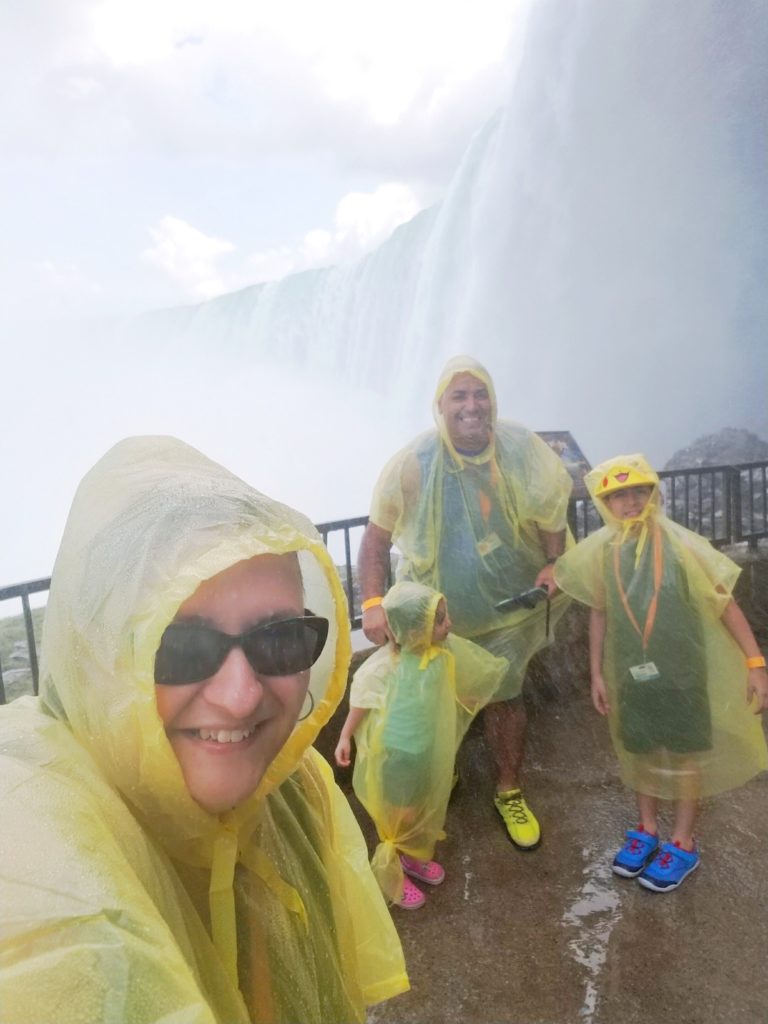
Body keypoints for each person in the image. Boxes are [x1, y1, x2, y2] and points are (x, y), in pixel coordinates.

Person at [0, 436, 408, 1024]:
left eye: (281, 639)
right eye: (181, 648)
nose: (241, 697)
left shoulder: (297, 788)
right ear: (106, 660)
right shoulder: (43, 859)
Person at [358, 355, 573, 850]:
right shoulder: (414, 463)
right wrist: (372, 602)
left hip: (506, 613)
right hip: (435, 618)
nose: (472, 406)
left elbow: (550, 507)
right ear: (440, 406)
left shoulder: (519, 447)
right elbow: (375, 540)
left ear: (493, 403)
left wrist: (555, 561)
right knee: (428, 703)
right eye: (460, 396)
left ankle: (508, 790)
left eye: (481, 395)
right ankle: (439, 782)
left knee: (505, 699)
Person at [554, 454, 768, 892]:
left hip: (682, 673)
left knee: (686, 755)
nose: (630, 503)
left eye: (638, 492)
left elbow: (724, 601)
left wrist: (754, 663)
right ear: (604, 504)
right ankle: (647, 829)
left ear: (655, 494)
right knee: (642, 751)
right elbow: (599, 611)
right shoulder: (606, 551)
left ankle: (682, 840)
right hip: (632, 676)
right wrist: (596, 673)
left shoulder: (680, 545)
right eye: (617, 497)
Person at [334, 582, 507, 910]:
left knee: (424, 805)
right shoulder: (388, 665)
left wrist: (470, 699)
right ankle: (393, 870)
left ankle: (411, 856)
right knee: (402, 813)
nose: (449, 624)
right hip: (397, 755)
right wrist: (345, 736)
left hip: (426, 750)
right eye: (440, 620)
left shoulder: (441, 652)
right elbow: (362, 700)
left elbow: (455, 682)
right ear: (415, 631)